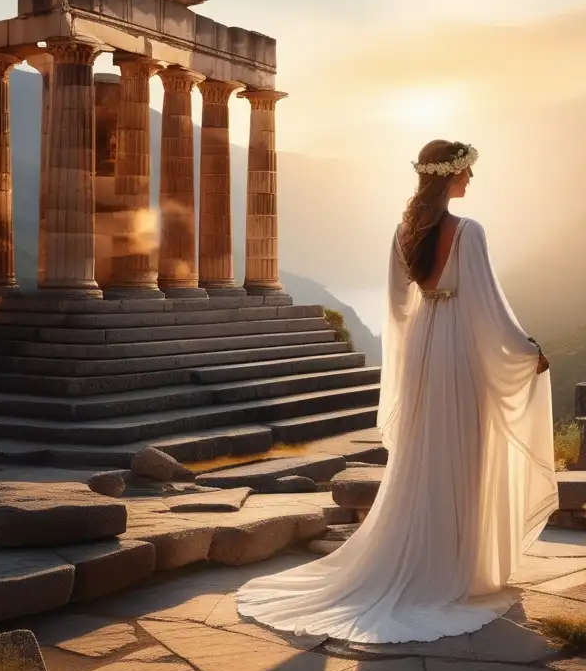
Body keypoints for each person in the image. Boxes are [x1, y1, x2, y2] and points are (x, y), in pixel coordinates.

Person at [236, 139, 558, 645]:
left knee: (427, 455)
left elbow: (398, 306)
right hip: (459, 353)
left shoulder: (404, 230)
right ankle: (453, 568)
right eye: (466, 172)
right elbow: (487, 305)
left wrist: (415, 351)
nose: (470, 180)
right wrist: (525, 349)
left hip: (427, 347)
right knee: (462, 453)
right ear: (448, 175)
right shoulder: (468, 232)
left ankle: (428, 560)